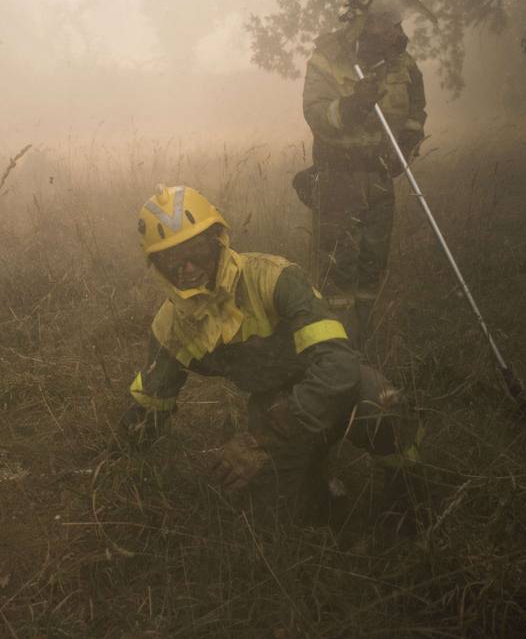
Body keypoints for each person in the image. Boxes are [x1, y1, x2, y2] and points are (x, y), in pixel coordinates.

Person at [118, 184, 421, 521]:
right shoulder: (170, 327)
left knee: (382, 407)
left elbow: (339, 366)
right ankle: (321, 489)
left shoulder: (274, 278)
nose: (187, 268)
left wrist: (259, 440)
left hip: (334, 390)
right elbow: (149, 407)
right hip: (271, 405)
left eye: (197, 251)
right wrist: (114, 465)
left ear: (218, 240)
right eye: (173, 258)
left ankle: (409, 495)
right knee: (275, 515)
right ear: (157, 265)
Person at [299, 0, 430, 346]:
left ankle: (366, 342)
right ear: (362, 21)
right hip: (339, 179)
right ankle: (336, 348)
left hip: (380, 177)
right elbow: (317, 115)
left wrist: (408, 141)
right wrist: (354, 105)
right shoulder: (328, 59)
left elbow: (416, 106)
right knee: (338, 268)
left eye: (397, 20)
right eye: (385, 20)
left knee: (373, 262)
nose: (395, 29)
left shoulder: (402, 64)